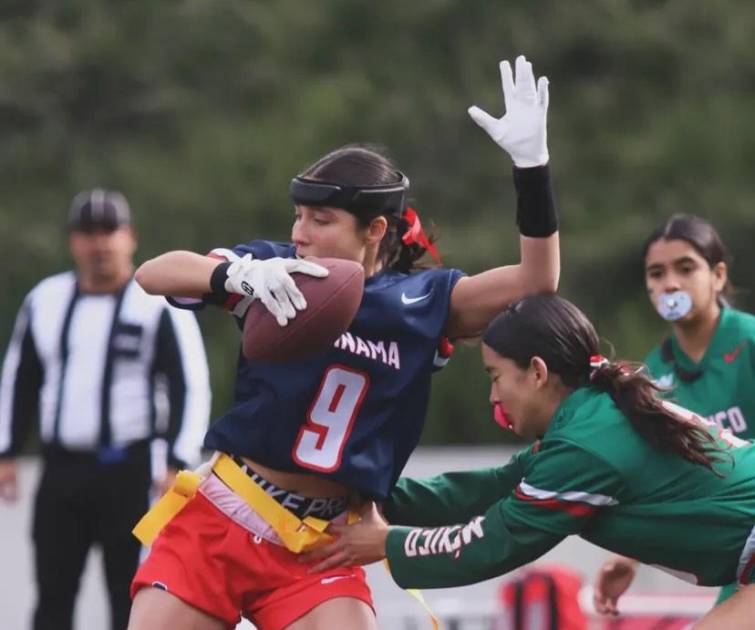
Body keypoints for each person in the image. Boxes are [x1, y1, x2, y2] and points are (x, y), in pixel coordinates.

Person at [127, 54, 560, 630]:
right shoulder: (277, 269)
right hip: (227, 513)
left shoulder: (424, 302)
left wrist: (532, 169)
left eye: (321, 219)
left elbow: (537, 282)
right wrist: (235, 276)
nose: (300, 233)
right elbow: (152, 273)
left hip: (323, 541)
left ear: (375, 228)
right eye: (298, 215)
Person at [301, 294, 755, 630]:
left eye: (496, 376)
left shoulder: (583, 448)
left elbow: (495, 541)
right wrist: (369, 493)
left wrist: (389, 543)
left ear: (537, 372)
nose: (493, 396)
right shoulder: (589, 420)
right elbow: (490, 488)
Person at [0, 190, 211, 630]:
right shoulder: (46, 300)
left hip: (131, 470)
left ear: (130, 237)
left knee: (130, 595)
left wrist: (179, 460)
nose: (99, 244)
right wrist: (7, 449)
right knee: (53, 595)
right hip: (63, 470)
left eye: (108, 232)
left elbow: (190, 383)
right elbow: (20, 377)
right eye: (88, 233)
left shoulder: (157, 302)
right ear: (73, 241)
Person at [593, 214, 755, 613]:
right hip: (742, 554)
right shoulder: (652, 375)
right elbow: (654, 473)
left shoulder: (749, 341)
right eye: (657, 273)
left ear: (718, 276)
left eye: (685, 268)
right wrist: (628, 558)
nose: (670, 284)